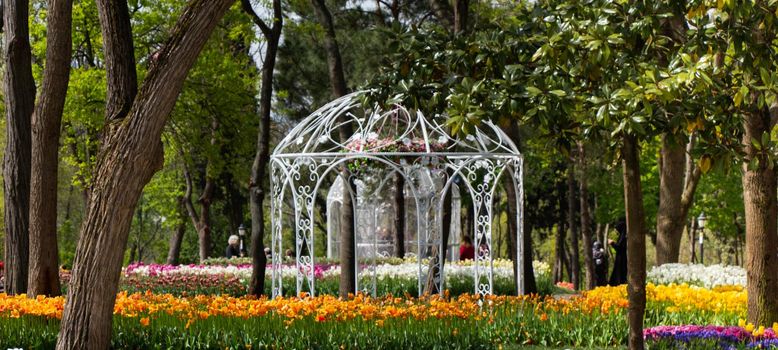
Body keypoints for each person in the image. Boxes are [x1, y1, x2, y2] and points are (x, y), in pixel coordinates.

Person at [608, 219, 628, 286]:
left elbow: (619, 248)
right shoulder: (622, 236)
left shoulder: (623, 237)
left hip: (622, 259)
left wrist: (612, 243)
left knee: (620, 273)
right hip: (620, 258)